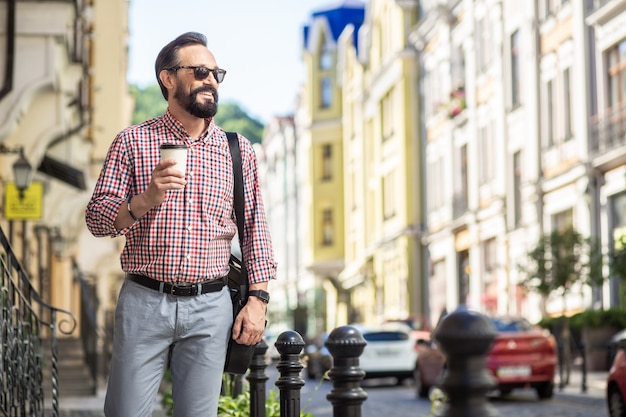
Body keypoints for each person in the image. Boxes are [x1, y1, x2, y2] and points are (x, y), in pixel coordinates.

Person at [85, 31, 276, 417]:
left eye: (216, 73)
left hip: (211, 305)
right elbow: (96, 218)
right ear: (168, 78)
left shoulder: (237, 150)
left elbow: (255, 228)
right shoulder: (133, 141)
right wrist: (145, 200)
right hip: (144, 301)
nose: (211, 81)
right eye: (201, 71)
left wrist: (257, 300)